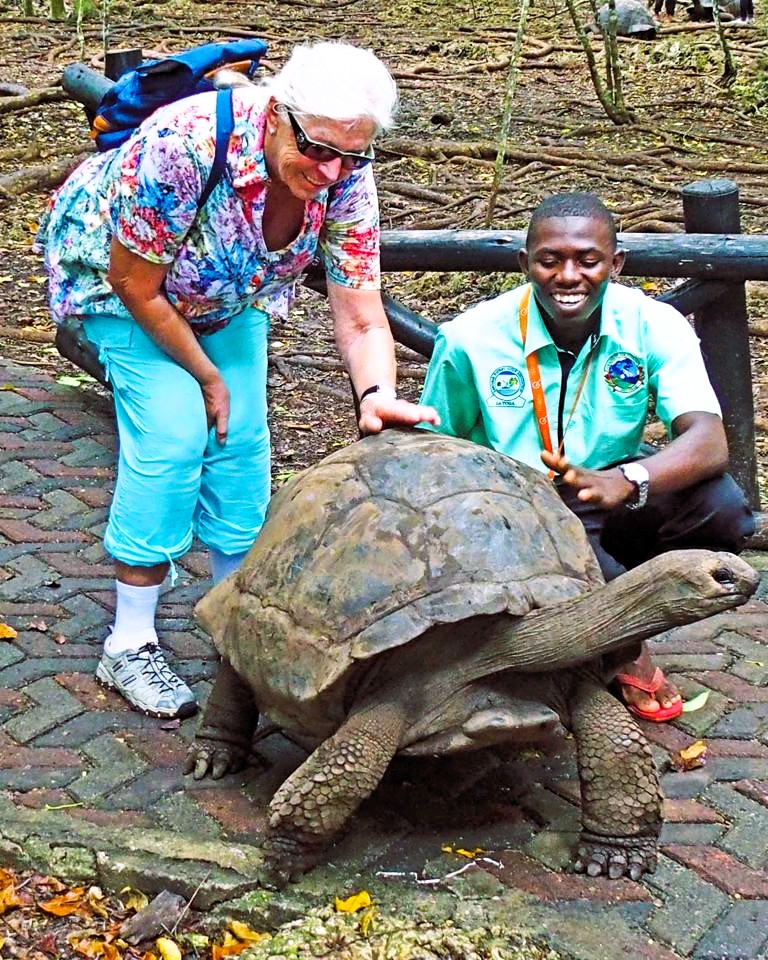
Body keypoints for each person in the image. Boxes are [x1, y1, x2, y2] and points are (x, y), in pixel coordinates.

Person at [36, 41, 438, 719]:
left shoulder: (343, 171)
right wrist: (204, 376)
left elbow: (363, 313)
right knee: (172, 433)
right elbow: (135, 282)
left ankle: (238, 632)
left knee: (244, 444)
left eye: (352, 154)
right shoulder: (182, 142)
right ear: (278, 113)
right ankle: (128, 643)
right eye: (317, 149)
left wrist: (378, 397)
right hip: (125, 290)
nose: (332, 169)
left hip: (228, 290)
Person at [419, 191, 754, 723]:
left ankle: (611, 615)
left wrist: (629, 478)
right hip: (511, 508)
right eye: (550, 260)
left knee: (722, 506)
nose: (568, 275)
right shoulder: (470, 338)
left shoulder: (653, 324)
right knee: (563, 528)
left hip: (608, 486)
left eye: (588, 260)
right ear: (524, 263)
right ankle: (624, 642)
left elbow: (709, 440)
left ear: (615, 264)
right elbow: (433, 446)